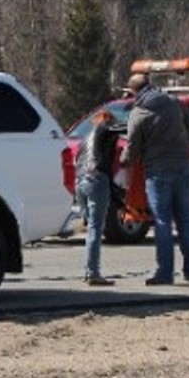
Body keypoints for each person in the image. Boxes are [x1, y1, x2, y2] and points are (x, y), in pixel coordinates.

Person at [123, 70, 189, 286]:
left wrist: (124, 162)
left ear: (133, 91)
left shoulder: (139, 113)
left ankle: (165, 273)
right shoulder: (174, 102)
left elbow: (132, 149)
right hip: (184, 166)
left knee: (162, 222)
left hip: (158, 170)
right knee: (186, 222)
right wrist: (180, 143)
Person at [74, 109, 118, 286]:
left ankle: (88, 271)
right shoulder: (106, 130)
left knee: (90, 226)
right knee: (95, 228)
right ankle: (93, 272)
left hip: (80, 181)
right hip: (97, 179)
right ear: (107, 120)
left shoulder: (85, 138)